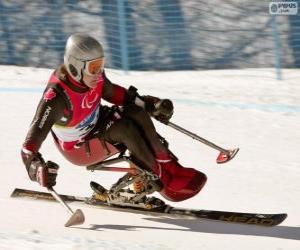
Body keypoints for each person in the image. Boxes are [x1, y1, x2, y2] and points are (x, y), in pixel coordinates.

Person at [21, 33, 207, 202]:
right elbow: (29, 146)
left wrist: (148, 105)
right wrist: (37, 169)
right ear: (75, 67)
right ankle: (161, 180)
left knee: (136, 113)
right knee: (125, 128)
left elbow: (113, 93)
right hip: (78, 147)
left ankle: (171, 168)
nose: (99, 72)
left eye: (101, 65)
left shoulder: (94, 77)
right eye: (94, 67)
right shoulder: (57, 97)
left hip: (97, 123)